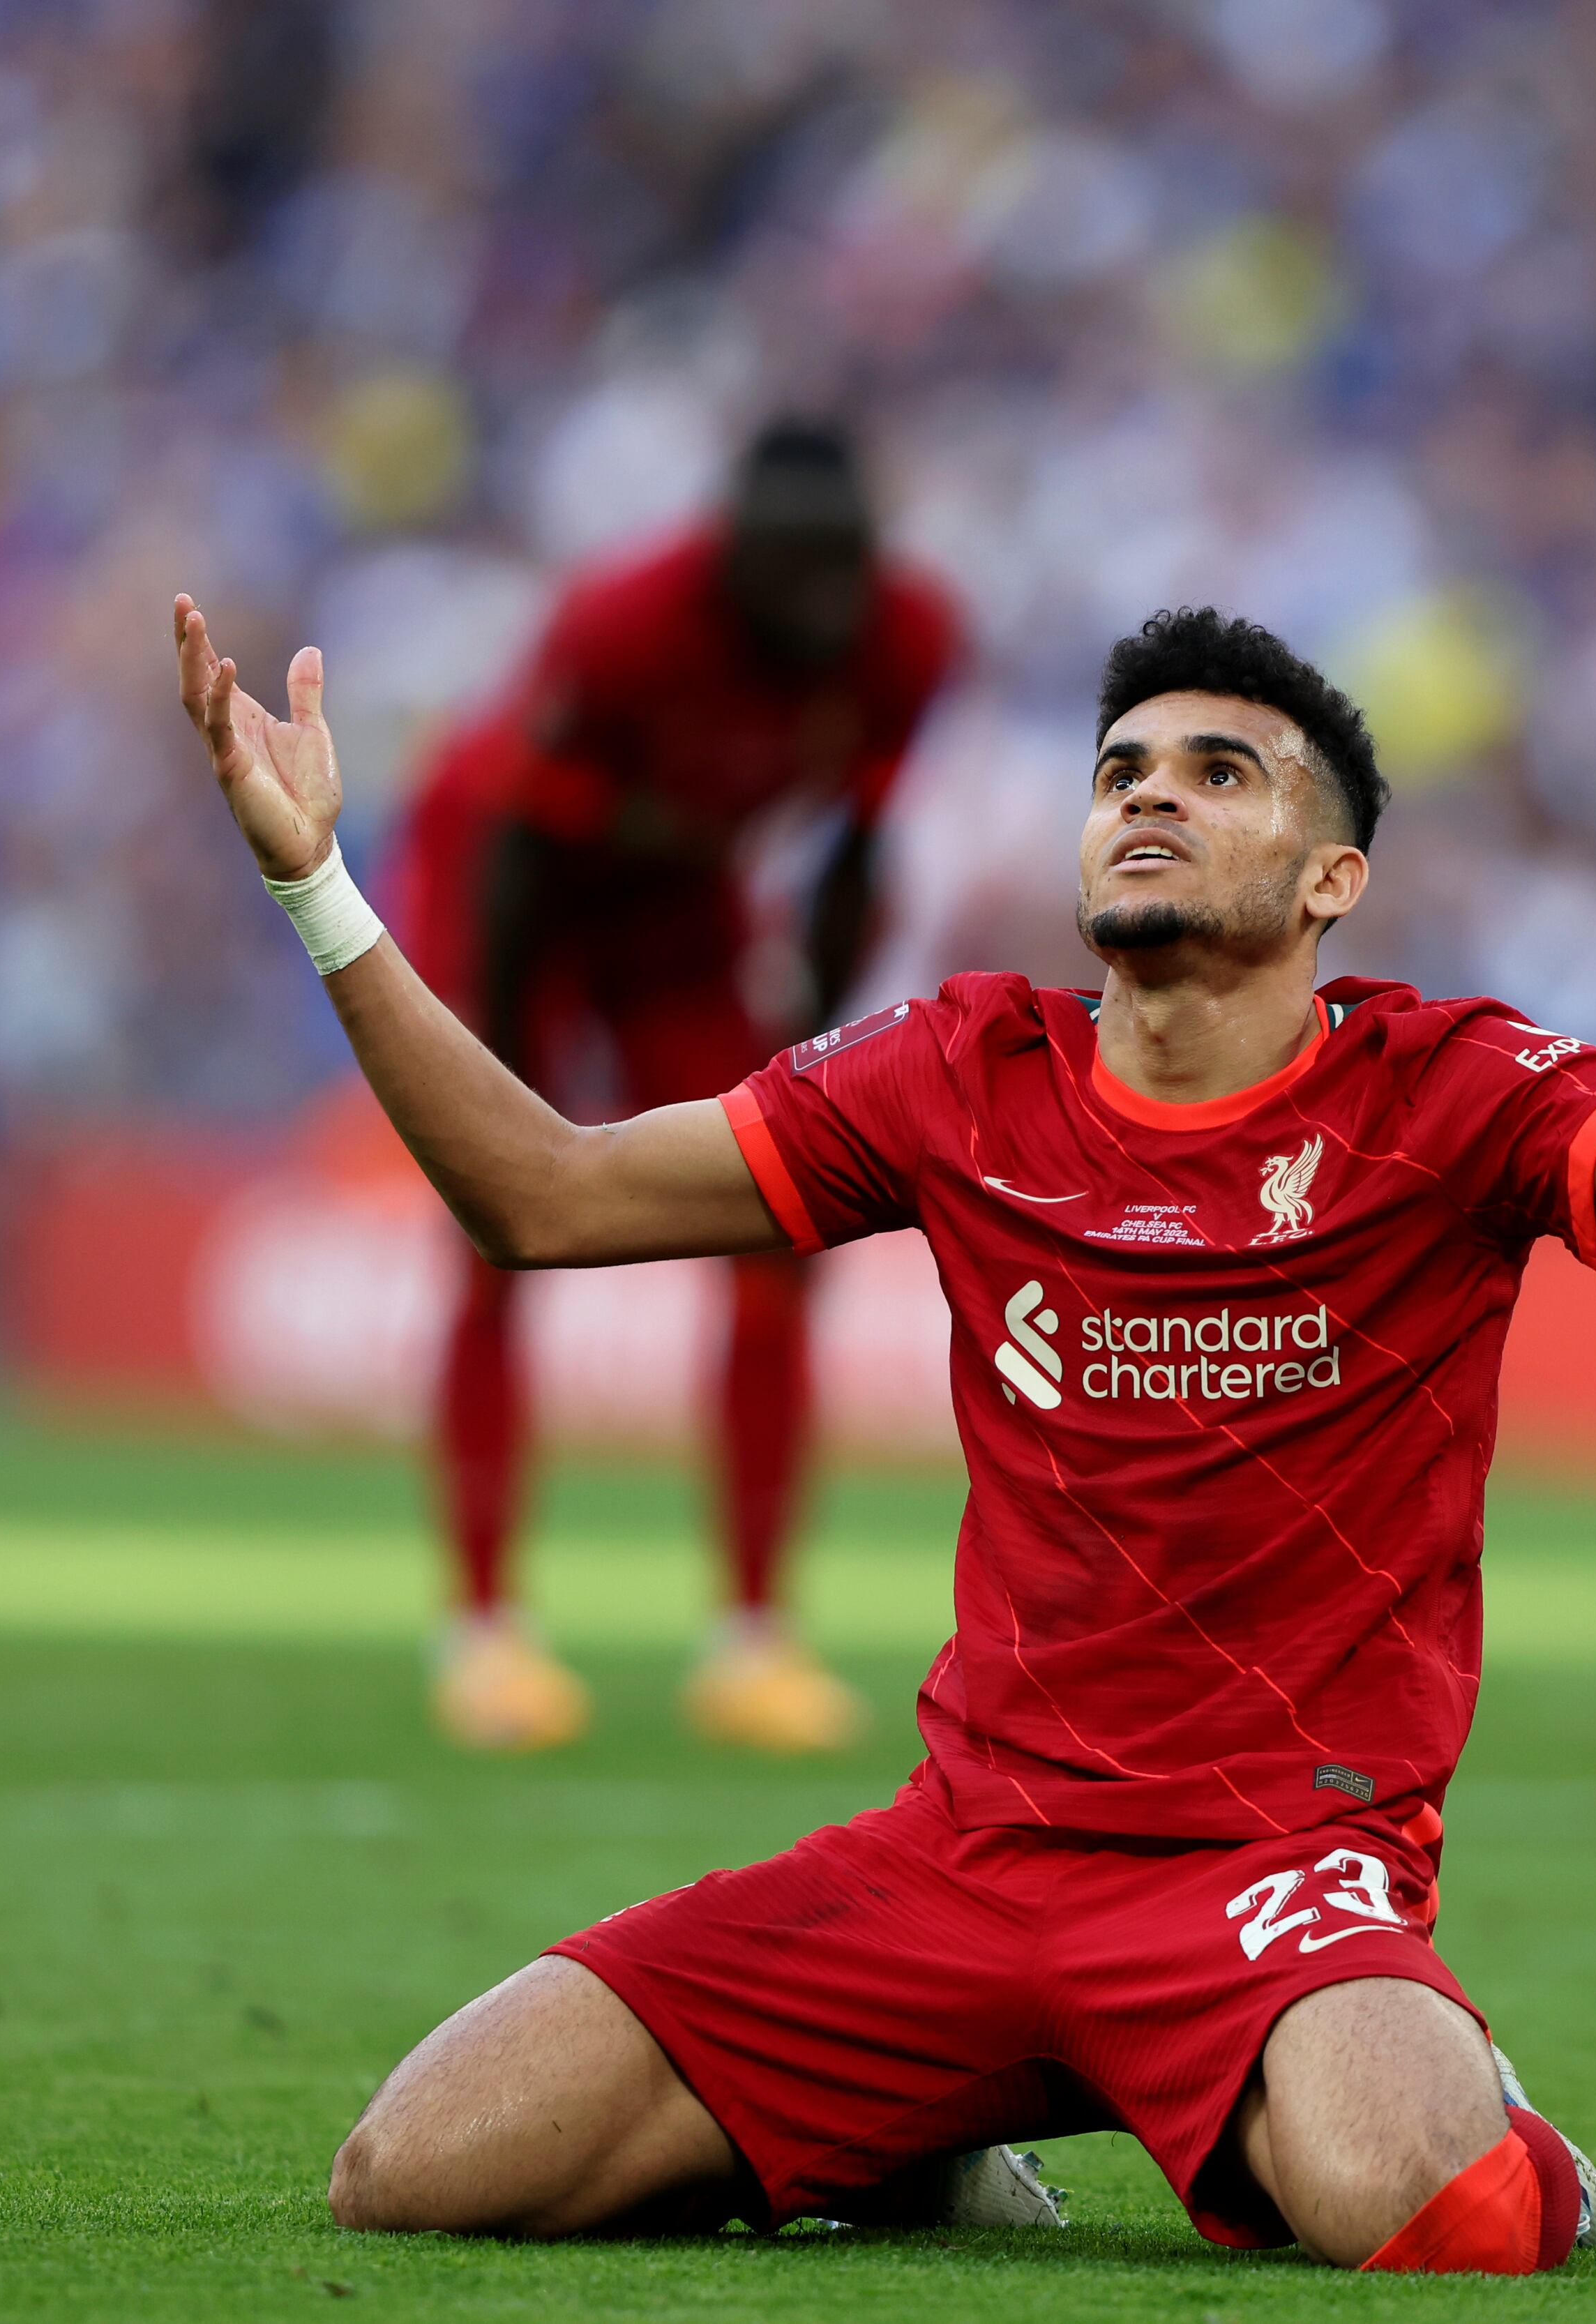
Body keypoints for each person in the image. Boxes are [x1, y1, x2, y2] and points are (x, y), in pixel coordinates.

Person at [167, 583, 1596, 2272]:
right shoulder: (959, 1069)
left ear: (1330, 879)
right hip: (971, 1861)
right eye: (1120, 769)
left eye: (1219, 773)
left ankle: (1466, 2108)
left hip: (1277, 1865)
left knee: (1438, 2212)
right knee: (416, 2166)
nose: (1149, 795)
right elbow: (541, 1194)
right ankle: (920, 2141)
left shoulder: (1450, 1092)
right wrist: (315, 881)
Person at [391, 421, 960, 1755]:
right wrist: (503, 1086)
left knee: (780, 1219)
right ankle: (483, 1629)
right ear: (733, 560)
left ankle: (752, 1639)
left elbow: (855, 855)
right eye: (796, 576)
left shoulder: (910, 638)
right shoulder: (623, 624)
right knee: (496, 1231)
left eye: (843, 573)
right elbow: (519, 848)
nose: (823, 605)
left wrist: (815, 1058)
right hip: (516, 882)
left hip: (679, 902)